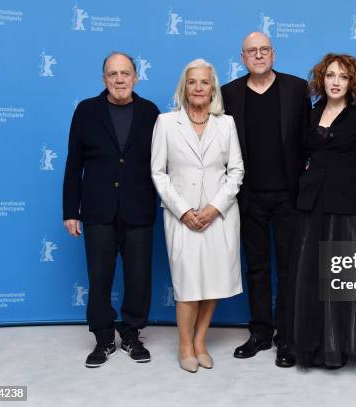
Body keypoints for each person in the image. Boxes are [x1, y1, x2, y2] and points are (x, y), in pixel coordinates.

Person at [62, 52, 160, 368]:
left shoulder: (151, 112)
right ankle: (104, 339)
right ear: (104, 79)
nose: (119, 79)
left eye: (125, 73)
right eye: (112, 74)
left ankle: (131, 335)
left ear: (136, 77)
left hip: (139, 209)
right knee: (100, 277)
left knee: (139, 277)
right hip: (97, 210)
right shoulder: (86, 111)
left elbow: (162, 165)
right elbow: (73, 163)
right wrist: (70, 211)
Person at [221, 32, 310, 368]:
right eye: (251, 51)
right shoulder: (229, 93)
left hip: (289, 195)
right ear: (243, 57)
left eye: (264, 50)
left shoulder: (297, 89)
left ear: (273, 54)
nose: (258, 55)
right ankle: (260, 332)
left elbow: (306, 142)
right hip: (248, 196)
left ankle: (286, 338)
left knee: (289, 269)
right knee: (257, 268)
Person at [151, 59, 244, 373]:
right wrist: (185, 211)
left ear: (212, 87)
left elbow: (236, 172)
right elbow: (158, 173)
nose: (199, 87)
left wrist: (214, 208)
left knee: (213, 281)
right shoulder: (166, 122)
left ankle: (201, 340)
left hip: (220, 216)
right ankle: (184, 344)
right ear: (184, 87)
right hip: (182, 217)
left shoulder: (226, 123)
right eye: (193, 82)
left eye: (205, 82)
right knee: (188, 284)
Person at [288, 53, 356, 368]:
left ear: (352, 83)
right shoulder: (311, 114)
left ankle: (339, 348)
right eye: (330, 75)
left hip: (347, 207)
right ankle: (311, 347)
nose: (335, 82)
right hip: (312, 206)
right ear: (321, 80)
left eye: (342, 76)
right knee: (309, 278)